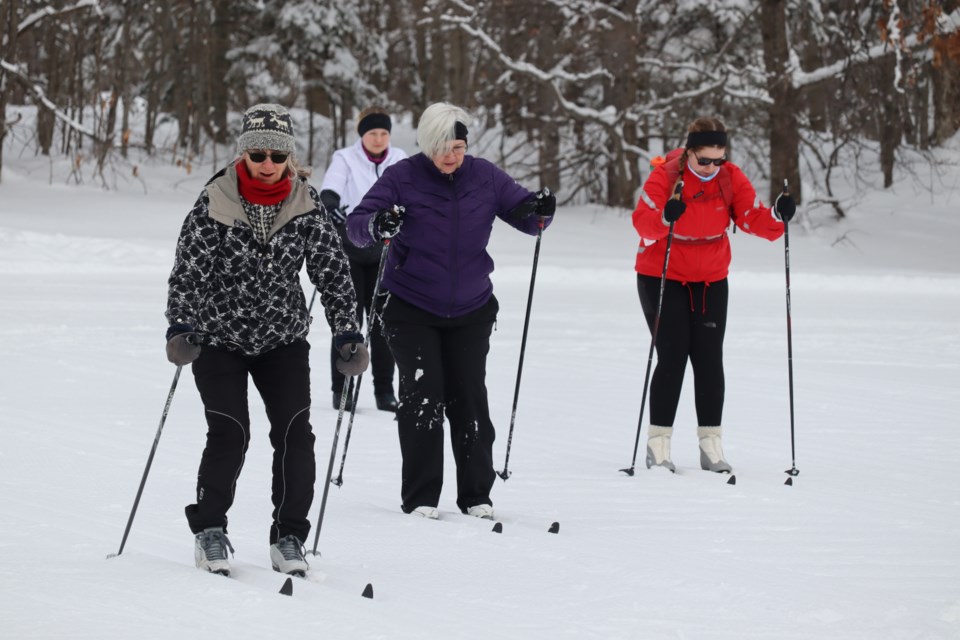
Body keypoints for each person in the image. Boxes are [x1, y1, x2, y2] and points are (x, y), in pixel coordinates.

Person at [164, 103, 369, 577]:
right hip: (218, 339)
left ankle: (288, 536)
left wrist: (346, 331)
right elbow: (188, 273)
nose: (268, 163)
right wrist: (181, 326)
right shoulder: (215, 199)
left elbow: (333, 274)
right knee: (231, 432)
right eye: (258, 153)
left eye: (277, 155)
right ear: (244, 152)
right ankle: (210, 531)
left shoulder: (305, 202)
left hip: (282, 340)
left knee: (296, 435)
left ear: (288, 157)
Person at [345, 102, 556, 520]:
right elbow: (357, 223)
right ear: (426, 144)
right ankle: (422, 497)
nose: (451, 155)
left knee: (470, 398)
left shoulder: (484, 176)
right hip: (410, 305)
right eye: (442, 146)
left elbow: (527, 217)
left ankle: (477, 495)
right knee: (425, 396)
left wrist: (540, 210)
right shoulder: (402, 176)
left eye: (458, 146)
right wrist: (379, 224)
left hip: (471, 307)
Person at [631, 116, 796, 473]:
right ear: (689, 152)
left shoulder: (729, 177)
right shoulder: (666, 175)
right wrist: (664, 218)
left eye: (717, 160)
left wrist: (778, 216)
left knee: (708, 359)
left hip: (710, 279)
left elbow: (751, 217)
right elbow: (642, 221)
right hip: (663, 274)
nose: (710, 167)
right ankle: (658, 446)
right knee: (673, 356)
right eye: (703, 159)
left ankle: (711, 446)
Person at [320, 107, 408, 412]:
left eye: (384, 133)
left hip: (385, 251)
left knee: (383, 323)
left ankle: (384, 391)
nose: (379, 139)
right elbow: (330, 188)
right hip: (350, 249)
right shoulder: (345, 158)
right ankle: (341, 389)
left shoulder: (399, 158)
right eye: (373, 133)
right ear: (362, 135)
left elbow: (411, 193)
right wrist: (330, 204)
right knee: (348, 320)